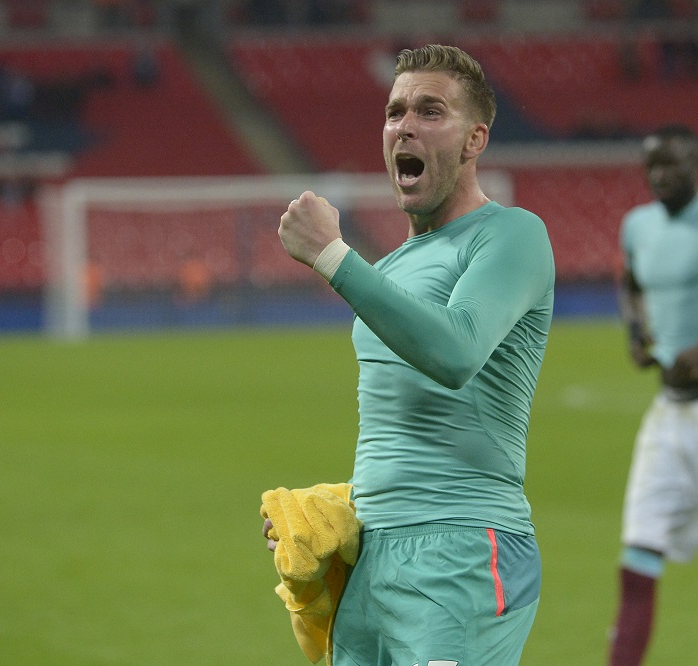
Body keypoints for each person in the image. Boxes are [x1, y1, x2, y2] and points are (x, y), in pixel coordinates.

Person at [264, 44, 555, 666]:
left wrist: (334, 257)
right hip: (374, 556)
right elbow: (398, 418)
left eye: (430, 111)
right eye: (395, 112)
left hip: (464, 550)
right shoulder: (391, 269)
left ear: (475, 139)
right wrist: (347, 505)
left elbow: (455, 352)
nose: (405, 126)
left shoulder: (512, 234)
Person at [609, 124, 698, 665]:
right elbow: (631, 285)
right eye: (653, 167)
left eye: (674, 164)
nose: (662, 176)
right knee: (637, 556)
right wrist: (634, 331)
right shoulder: (637, 226)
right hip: (669, 415)